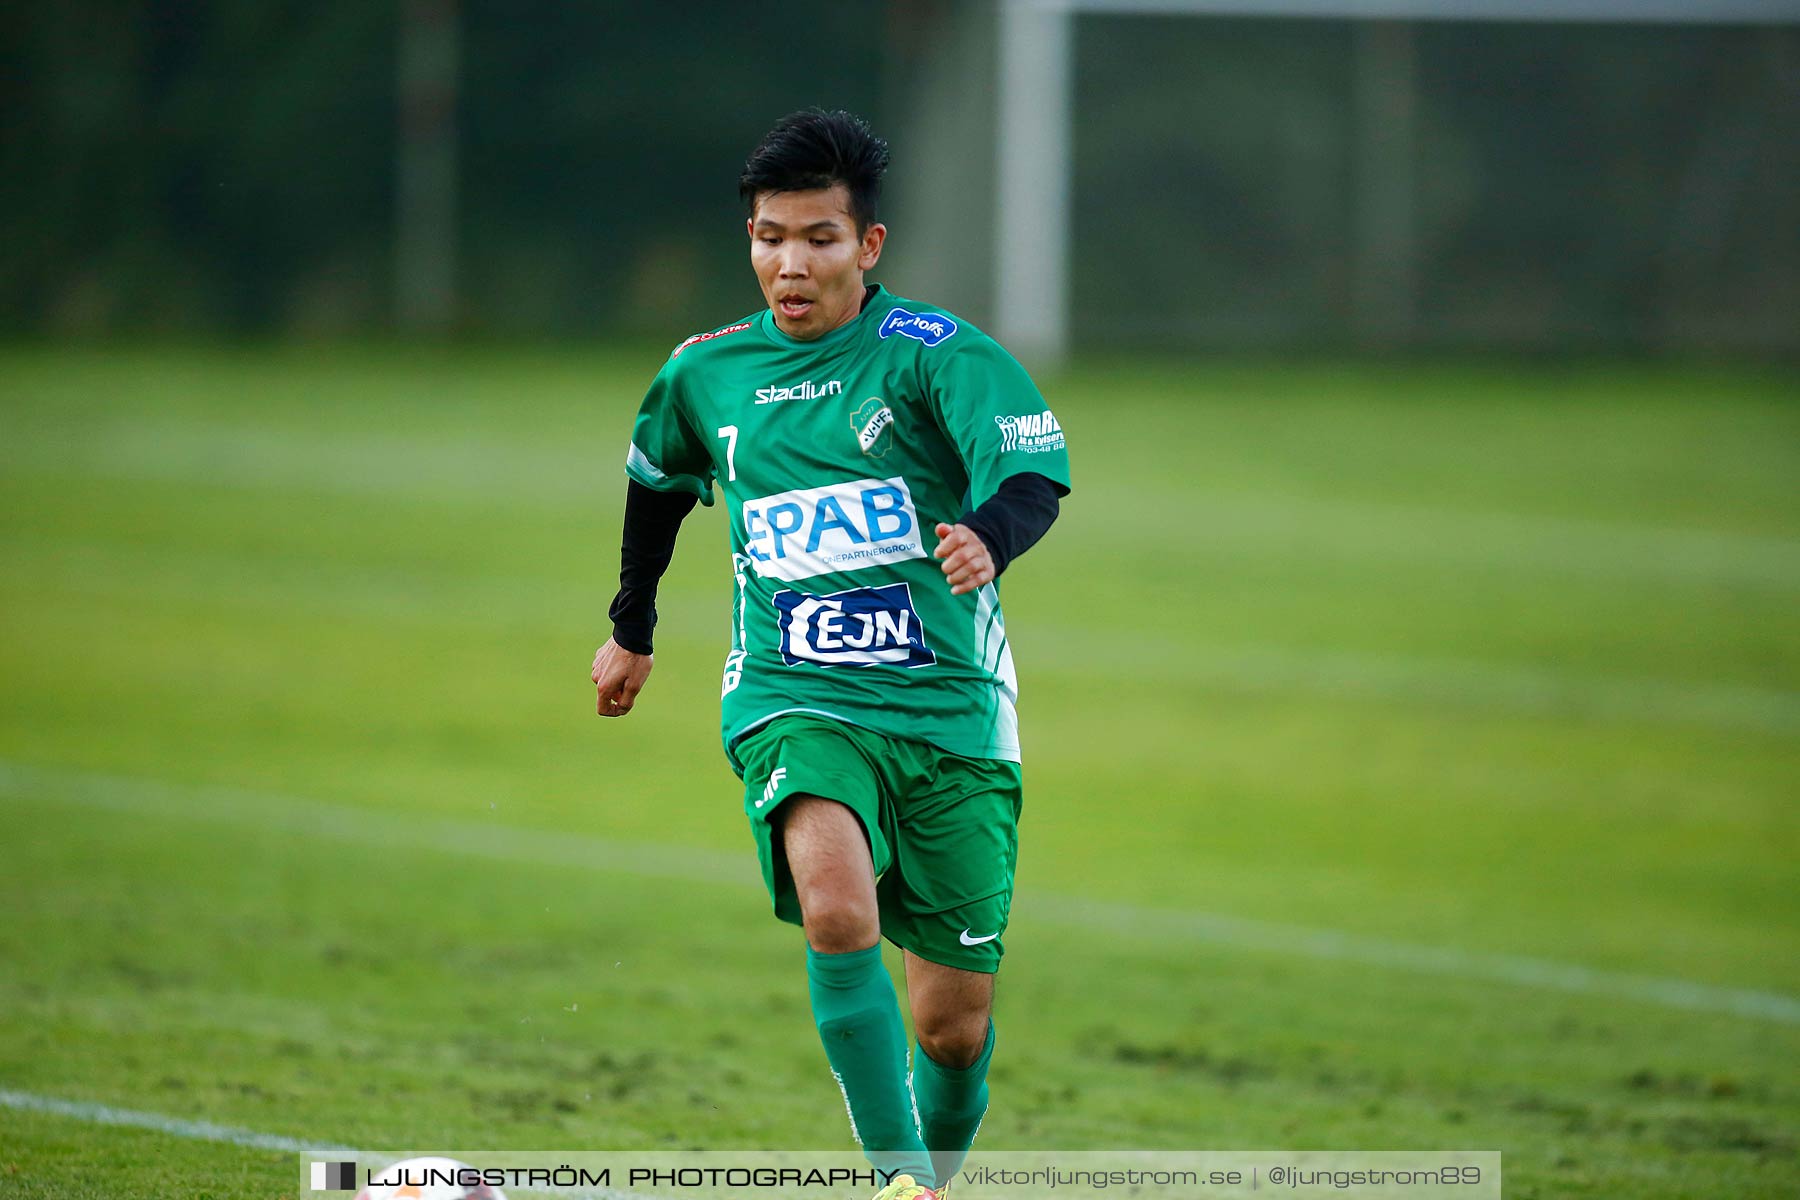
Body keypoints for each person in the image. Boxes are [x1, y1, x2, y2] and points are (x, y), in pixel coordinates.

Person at [590, 108, 1070, 1200]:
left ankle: (934, 1182)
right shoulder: (706, 373)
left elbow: (1032, 475)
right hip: (791, 692)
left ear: (869, 246)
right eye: (768, 238)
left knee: (950, 1030)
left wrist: (984, 538)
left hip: (950, 711)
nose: (788, 264)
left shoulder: (936, 357)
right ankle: (895, 1181)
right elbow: (656, 483)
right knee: (837, 905)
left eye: (816, 238)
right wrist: (633, 628)